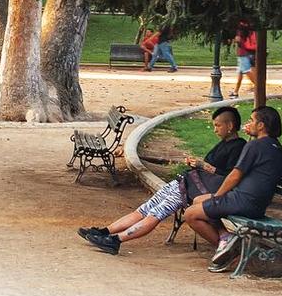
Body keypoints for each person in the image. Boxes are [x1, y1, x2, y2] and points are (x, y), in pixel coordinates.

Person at [80, 106, 244, 255]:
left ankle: (116, 241)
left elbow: (230, 176)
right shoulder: (224, 143)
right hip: (186, 182)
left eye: (218, 125)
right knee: (144, 209)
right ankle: (106, 232)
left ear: (230, 126)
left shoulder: (239, 147)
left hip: (192, 190)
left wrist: (204, 166)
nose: (215, 129)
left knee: (155, 214)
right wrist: (198, 164)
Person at [179, 105, 282, 271]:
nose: (247, 124)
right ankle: (225, 237)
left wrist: (218, 196)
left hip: (243, 201)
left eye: (251, 121)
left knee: (190, 214)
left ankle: (228, 250)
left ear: (261, 126)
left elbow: (235, 175)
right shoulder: (276, 147)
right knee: (198, 199)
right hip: (255, 202)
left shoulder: (255, 146)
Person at [228, 24, 259, 99]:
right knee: (240, 73)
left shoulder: (240, 27)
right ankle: (235, 92)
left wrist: (233, 40)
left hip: (243, 53)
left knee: (246, 71)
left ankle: (259, 87)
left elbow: (238, 39)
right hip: (245, 53)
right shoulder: (247, 26)